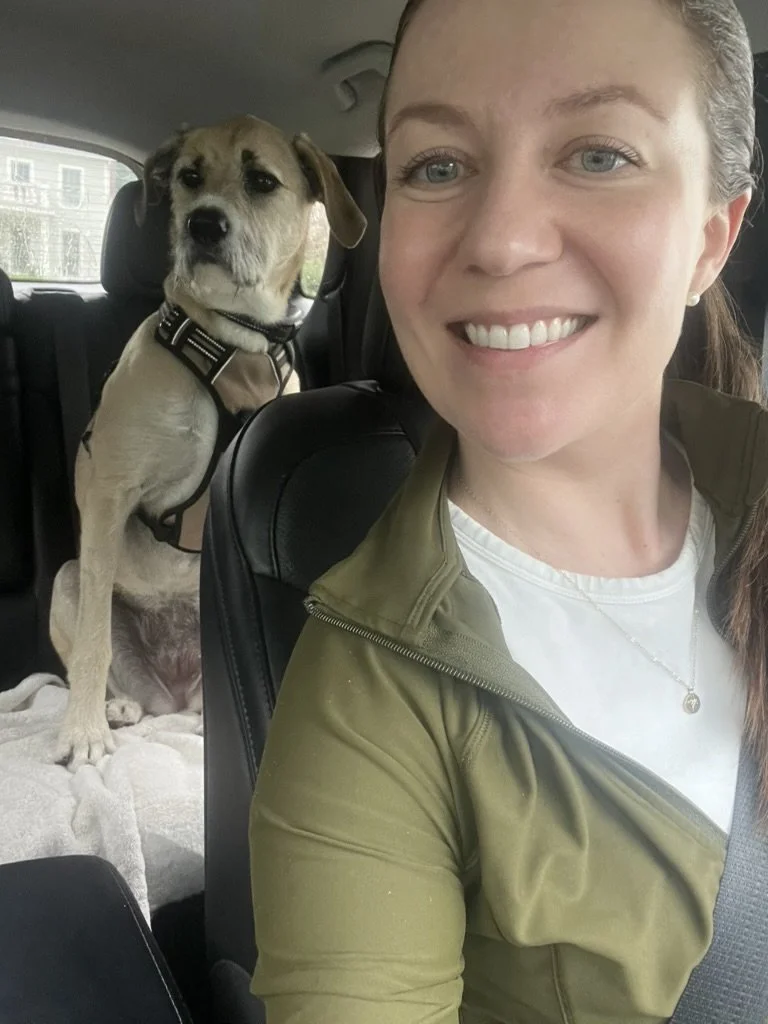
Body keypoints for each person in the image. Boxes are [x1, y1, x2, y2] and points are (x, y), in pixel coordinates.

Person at [249, 0, 766, 1019]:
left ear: (713, 236)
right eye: (438, 166)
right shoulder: (364, 698)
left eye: (599, 154)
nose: (501, 239)